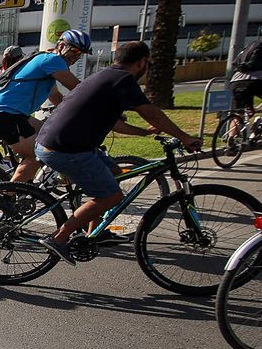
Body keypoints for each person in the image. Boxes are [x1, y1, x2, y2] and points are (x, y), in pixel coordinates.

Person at [31, 41, 201, 264]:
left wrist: (143, 133)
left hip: (62, 144)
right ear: (142, 62)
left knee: (113, 173)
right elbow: (151, 112)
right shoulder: (123, 79)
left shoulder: (106, 76)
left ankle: (96, 232)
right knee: (111, 196)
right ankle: (58, 238)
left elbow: (114, 123)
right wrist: (185, 137)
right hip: (65, 149)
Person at [0, 29, 90, 184]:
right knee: (40, 155)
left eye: (81, 54)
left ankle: (30, 188)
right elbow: (80, 89)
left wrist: (75, 116)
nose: (76, 56)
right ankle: (6, 195)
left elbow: (56, 97)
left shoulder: (47, 62)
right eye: (74, 51)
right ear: (61, 46)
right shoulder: (53, 61)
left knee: (52, 136)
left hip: (13, 114)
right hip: (5, 115)